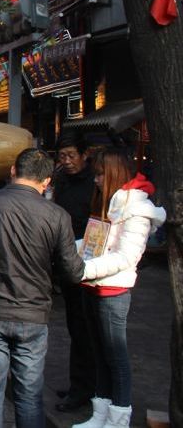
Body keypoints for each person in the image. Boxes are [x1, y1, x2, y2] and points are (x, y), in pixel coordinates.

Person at [0, 148, 86, 428]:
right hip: (33, 312)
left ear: (13, 170)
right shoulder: (56, 215)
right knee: (28, 395)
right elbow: (72, 271)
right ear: (47, 181)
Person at [72, 149, 166, 428]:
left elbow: (126, 257)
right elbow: (93, 244)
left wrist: (82, 268)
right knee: (100, 354)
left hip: (113, 292)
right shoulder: (107, 202)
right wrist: (69, 252)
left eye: (100, 174)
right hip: (91, 287)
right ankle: (99, 415)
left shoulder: (136, 210)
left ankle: (118, 418)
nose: (96, 180)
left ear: (113, 173)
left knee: (116, 358)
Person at [52, 137, 98, 412]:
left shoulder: (95, 181)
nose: (67, 161)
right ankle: (78, 384)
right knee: (75, 327)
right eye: (62, 156)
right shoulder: (61, 179)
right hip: (67, 261)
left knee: (85, 329)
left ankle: (85, 389)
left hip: (88, 263)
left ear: (85, 154)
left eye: (71, 156)